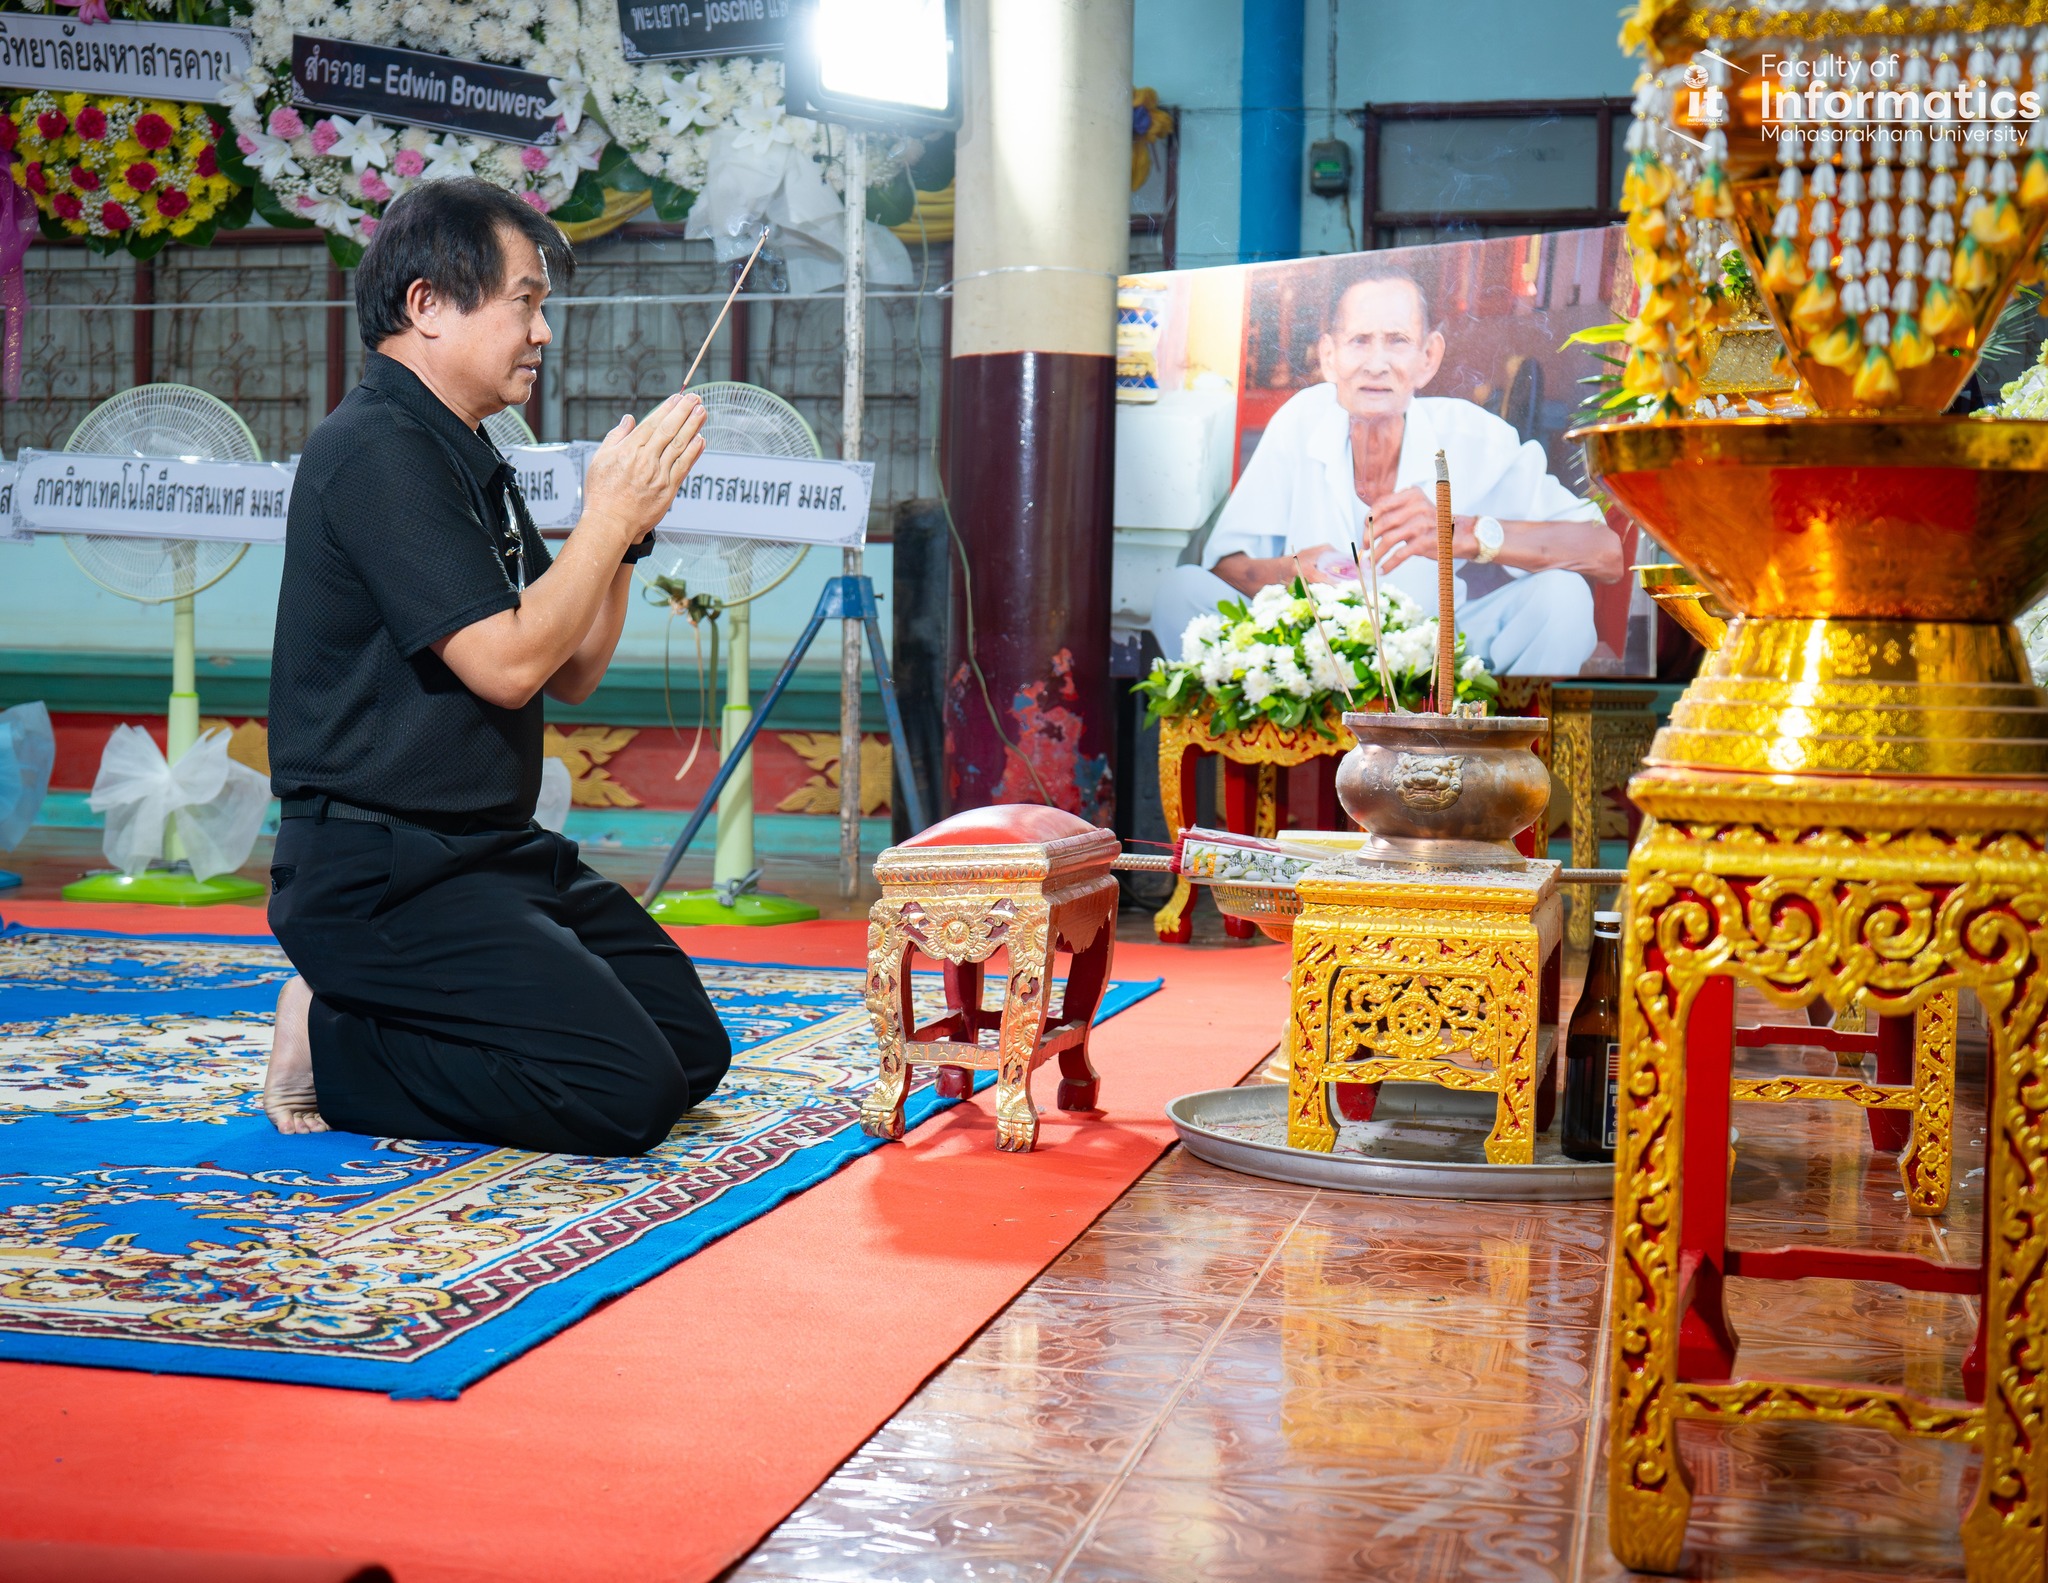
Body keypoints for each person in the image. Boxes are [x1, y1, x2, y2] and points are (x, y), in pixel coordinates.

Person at [261, 178, 732, 1156]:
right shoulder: (375, 450)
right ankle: (334, 1035)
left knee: (690, 1050)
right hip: (380, 871)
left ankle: (379, 1012)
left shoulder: (468, 452)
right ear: (427, 304)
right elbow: (509, 666)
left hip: (490, 851)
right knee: (622, 1095)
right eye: (524, 300)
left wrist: (627, 535)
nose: (542, 332)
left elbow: (571, 672)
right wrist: (601, 520)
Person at [1149, 262, 1625, 675]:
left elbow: (1605, 554)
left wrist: (1468, 533)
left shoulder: (1472, 437)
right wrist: (1291, 573)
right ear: (1330, 357)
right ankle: (1262, 755)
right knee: (1178, 593)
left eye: (1397, 341)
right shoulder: (1300, 420)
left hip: (1442, 658)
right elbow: (1225, 569)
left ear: (1427, 358)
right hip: (1310, 652)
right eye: (1359, 341)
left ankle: (1502, 766)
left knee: (1562, 599)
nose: (1376, 364)